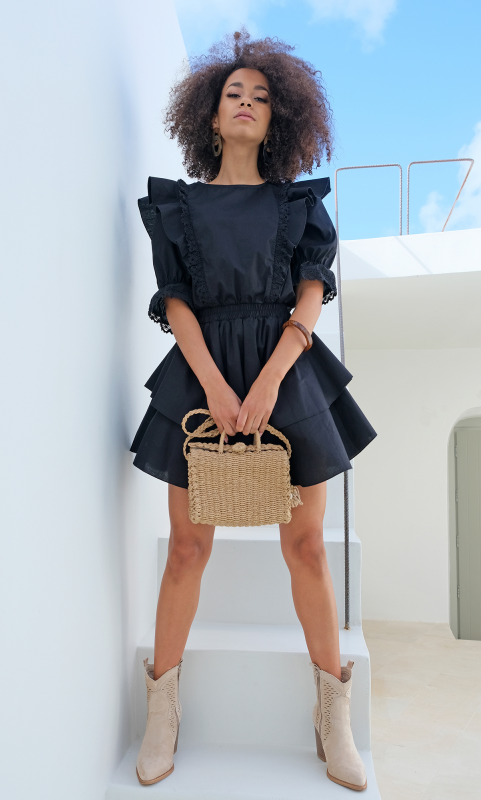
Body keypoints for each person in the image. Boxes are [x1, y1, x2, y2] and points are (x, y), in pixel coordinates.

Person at [130, 30, 376, 791]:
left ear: (279, 119)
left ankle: (332, 714)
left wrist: (270, 379)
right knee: (186, 548)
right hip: (201, 375)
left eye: (261, 97)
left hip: (287, 373)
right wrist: (213, 383)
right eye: (233, 93)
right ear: (210, 115)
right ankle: (163, 710)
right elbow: (175, 300)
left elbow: (311, 291)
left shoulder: (298, 202)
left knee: (306, 547)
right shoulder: (179, 206)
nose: (245, 102)